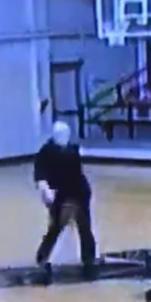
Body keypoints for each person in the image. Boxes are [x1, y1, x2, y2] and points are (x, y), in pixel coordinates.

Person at [33, 122, 97, 284]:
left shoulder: (72, 152)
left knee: (84, 227)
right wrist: (46, 190)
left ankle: (89, 260)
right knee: (56, 228)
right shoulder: (46, 152)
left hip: (77, 193)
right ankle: (42, 259)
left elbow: (75, 176)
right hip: (62, 194)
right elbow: (40, 175)